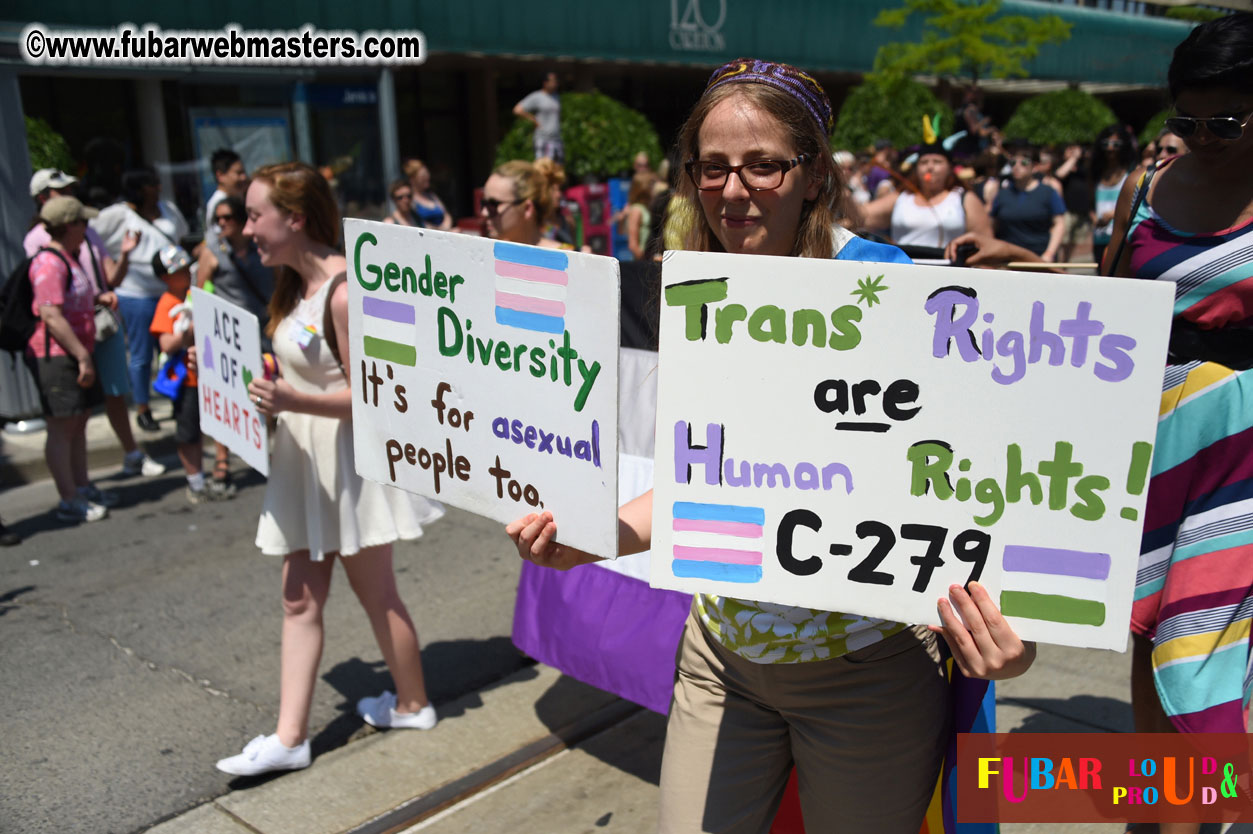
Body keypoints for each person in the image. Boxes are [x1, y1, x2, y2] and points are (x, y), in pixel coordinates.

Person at [506, 58, 1035, 833]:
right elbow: (703, 480)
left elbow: (983, 482)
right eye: (711, 167)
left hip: (866, 674)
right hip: (720, 659)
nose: (731, 190)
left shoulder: (893, 291)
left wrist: (1018, 631)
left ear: (814, 173)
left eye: (762, 165)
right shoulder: (698, 292)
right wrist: (595, 537)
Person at [217, 162, 444, 776]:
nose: (246, 228)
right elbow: (300, 374)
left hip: (347, 464)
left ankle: (414, 703)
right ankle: (291, 738)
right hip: (303, 463)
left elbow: (379, 394)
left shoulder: (344, 292)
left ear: (294, 218)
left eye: (255, 215)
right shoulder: (293, 286)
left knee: (376, 593)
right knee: (298, 599)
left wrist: (292, 399)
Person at [1105, 15, 1253, 807]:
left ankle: (1189, 809)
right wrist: (1021, 270)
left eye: (1223, 122)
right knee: (1146, 628)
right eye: (1184, 121)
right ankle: (1159, 800)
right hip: (1152, 442)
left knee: (1205, 644)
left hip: (1242, 454)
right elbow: (1106, 308)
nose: (1200, 138)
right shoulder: (1146, 188)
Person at [24, 169, 165, 479]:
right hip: (66, 339)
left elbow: (109, 277)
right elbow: (50, 303)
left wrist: (124, 257)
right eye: (61, 190)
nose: (70, 194)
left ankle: (119, 461)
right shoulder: (40, 245)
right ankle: (76, 488)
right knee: (71, 416)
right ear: (43, 198)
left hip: (100, 325)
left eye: (70, 188)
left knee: (107, 396)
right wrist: (81, 351)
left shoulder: (87, 232)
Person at [25, 197, 118, 523]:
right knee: (62, 426)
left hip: (77, 352)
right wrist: (82, 356)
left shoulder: (68, 258)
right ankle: (69, 499)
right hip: (57, 356)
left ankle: (82, 487)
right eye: (83, 223)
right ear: (69, 226)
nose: (87, 229)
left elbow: (72, 300)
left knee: (78, 421)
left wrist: (98, 298)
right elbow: (51, 315)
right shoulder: (49, 263)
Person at [91, 167, 190, 433]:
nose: (158, 188)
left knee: (173, 348)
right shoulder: (118, 214)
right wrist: (113, 262)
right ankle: (143, 408)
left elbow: (180, 237)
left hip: (170, 293)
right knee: (141, 354)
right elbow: (92, 238)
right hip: (136, 295)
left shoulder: (168, 209)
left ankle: (176, 396)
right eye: (152, 184)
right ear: (139, 188)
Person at [196, 194, 275, 493]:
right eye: (218, 219)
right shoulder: (212, 252)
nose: (221, 223)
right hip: (228, 339)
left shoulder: (262, 248)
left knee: (264, 394)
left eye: (227, 217)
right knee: (227, 397)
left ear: (242, 220)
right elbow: (199, 295)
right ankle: (222, 460)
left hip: (263, 333)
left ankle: (266, 450)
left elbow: (281, 284)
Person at [148, 245, 235, 504]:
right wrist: (190, 328)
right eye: (178, 271)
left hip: (209, 375)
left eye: (187, 268)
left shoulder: (195, 295)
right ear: (165, 278)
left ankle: (214, 471)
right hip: (187, 381)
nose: (185, 273)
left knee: (216, 425)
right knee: (189, 433)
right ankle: (195, 481)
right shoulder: (166, 303)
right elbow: (166, 344)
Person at [860, 142, 991, 249]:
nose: (930, 167)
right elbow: (861, 215)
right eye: (924, 162)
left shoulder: (963, 197)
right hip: (904, 267)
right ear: (916, 169)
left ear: (949, 168)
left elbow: (985, 243)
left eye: (937, 162)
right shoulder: (902, 197)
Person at [990, 143, 1066, 261]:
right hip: (1009, 259)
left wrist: (1049, 253)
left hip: (1039, 257)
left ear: (1034, 166)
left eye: (1024, 163)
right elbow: (992, 225)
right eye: (1013, 163)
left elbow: (1059, 224)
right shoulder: (1002, 194)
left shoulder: (1048, 192)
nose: (1017, 166)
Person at [479, 159, 567, 250]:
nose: (484, 212)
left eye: (493, 204)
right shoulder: (484, 253)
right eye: (483, 203)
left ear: (527, 208)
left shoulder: (569, 256)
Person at [1090, 124, 1138, 268]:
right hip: (1100, 238)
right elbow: (1091, 205)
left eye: (1116, 144)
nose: (1110, 148)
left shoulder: (1132, 172)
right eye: (1106, 144)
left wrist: (1112, 215)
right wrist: (1094, 218)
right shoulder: (1096, 173)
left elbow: (1136, 204)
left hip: (1122, 239)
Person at [514, 71, 563, 162]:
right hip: (543, 138)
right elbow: (517, 110)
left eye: (556, 81)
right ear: (545, 83)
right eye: (553, 81)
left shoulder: (556, 97)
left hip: (556, 139)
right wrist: (533, 119)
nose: (556, 83)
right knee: (543, 167)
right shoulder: (537, 96)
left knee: (557, 168)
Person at [205, 148, 248, 234]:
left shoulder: (238, 198)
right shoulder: (216, 204)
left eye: (244, 172)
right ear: (220, 175)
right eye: (238, 173)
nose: (244, 177)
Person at [402, 159, 453, 230]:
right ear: (412, 179)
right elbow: (414, 222)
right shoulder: (409, 199)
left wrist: (446, 228)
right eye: (423, 176)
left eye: (427, 174)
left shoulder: (431, 196)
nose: (427, 178)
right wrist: (438, 230)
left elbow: (446, 214)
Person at [618, 170, 657, 260]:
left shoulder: (645, 207)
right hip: (643, 261)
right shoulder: (636, 210)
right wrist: (645, 260)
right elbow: (633, 245)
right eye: (651, 185)